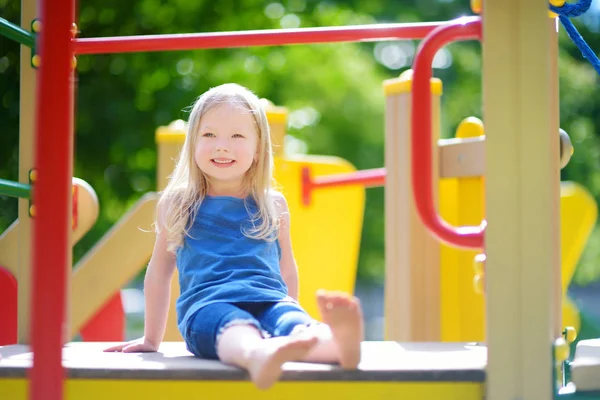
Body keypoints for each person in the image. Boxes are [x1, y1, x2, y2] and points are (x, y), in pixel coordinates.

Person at [104, 83, 364, 390]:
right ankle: (257, 354)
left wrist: (290, 307)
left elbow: (287, 268)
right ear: (192, 143)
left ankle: (339, 346)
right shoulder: (178, 203)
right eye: (209, 135)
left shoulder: (272, 204)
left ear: (258, 148)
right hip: (206, 308)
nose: (222, 146)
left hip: (269, 300)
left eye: (237, 136)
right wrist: (151, 339)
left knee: (295, 325)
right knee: (234, 327)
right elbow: (159, 273)